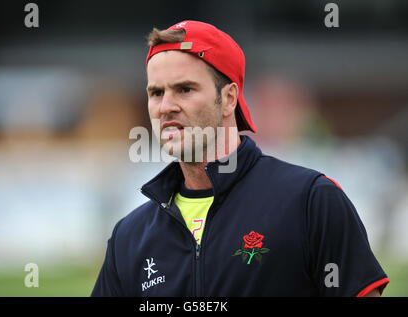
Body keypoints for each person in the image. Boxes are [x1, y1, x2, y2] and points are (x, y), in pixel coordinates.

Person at [91, 20, 389, 297]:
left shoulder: (311, 201)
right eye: (156, 93)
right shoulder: (128, 238)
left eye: (184, 89)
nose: (166, 106)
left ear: (229, 98)